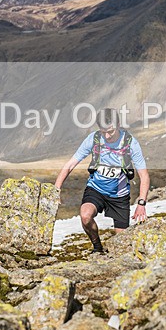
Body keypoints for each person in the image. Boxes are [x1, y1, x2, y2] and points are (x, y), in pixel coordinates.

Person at [55, 108, 149, 253]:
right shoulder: (94, 139)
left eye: (110, 131)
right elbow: (70, 164)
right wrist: (57, 189)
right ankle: (97, 247)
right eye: (103, 131)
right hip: (96, 189)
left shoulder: (130, 143)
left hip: (119, 195)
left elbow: (144, 176)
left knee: (122, 245)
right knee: (85, 216)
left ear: (118, 125)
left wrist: (141, 203)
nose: (107, 135)